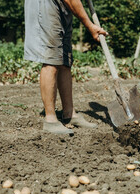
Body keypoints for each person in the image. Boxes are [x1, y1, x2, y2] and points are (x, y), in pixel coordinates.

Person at [24, 0, 108, 134]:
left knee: (65, 60)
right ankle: (50, 119)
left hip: (62, 7)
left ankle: (69, 114)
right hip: (46, 5)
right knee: (51, 59)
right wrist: (89, 25)